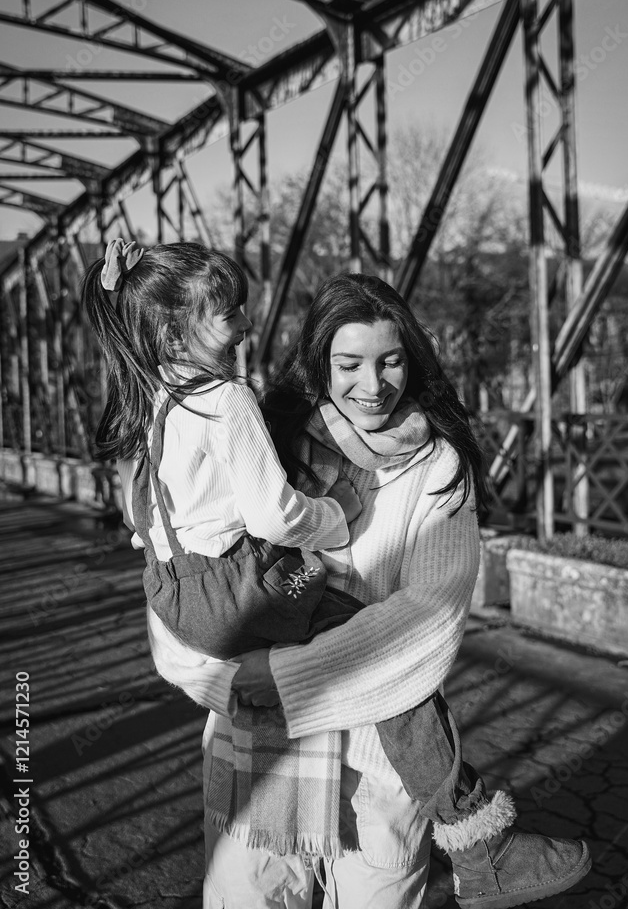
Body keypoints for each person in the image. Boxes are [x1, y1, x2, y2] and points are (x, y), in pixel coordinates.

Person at [127, 259, 592, 908]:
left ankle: (480, 852)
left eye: (390, 361)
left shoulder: (435, 465)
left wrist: (279, 681)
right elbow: (185, 587)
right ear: (319, 364)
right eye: (348, 365)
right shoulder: (266, 433)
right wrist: (224, 682)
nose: (372, 385)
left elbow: (422, 625)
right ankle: (481, 843)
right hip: (258, 759)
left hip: (378, 775)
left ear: (413, 359)